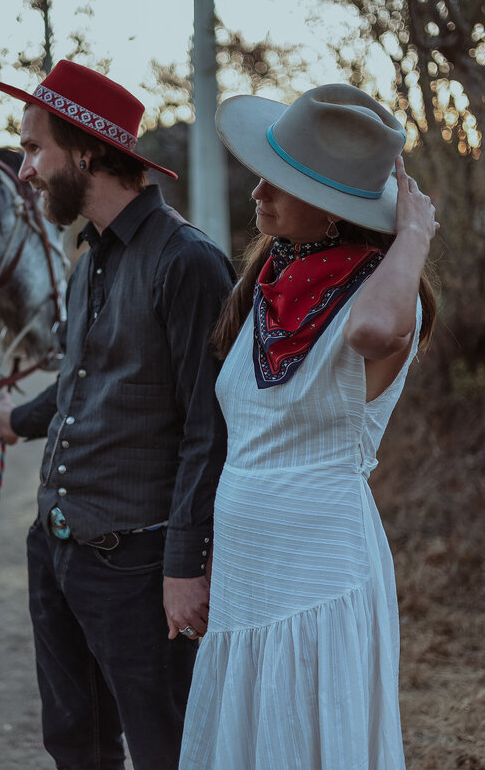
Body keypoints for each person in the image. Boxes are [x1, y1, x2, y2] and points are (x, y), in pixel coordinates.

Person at [0, 60, 234, 770]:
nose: (25, 172)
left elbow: (206, 430)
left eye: (34, 150)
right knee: (75, 744)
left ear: (87, 151)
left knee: (165, 749)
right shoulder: (89, 261)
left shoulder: (187, 263)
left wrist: (186, 568)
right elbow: (85, 384)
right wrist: (18, 420)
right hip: (56, 550)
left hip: (137, 565)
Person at [178, 83, 439, 769]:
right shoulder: (267, 291)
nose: (258, 191)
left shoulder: (381, 298)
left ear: (332, 206)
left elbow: (376, 328)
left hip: (317, 575)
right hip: (246, 571)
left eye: (281, 180)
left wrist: (413, 233)